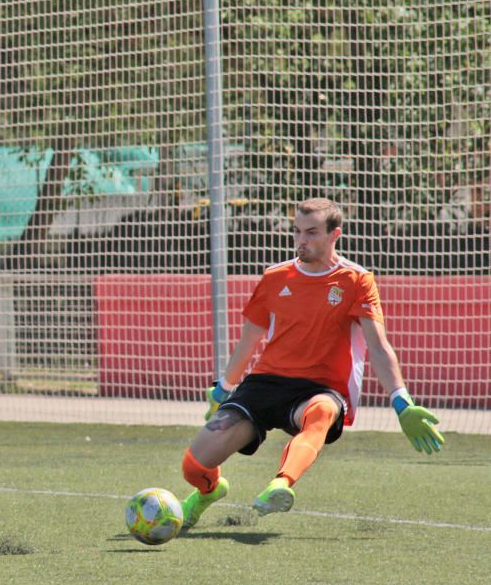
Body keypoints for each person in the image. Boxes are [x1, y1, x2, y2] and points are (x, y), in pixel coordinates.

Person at [179, 197, 445, 529]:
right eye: (297, 232)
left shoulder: (356, 280)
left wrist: (401, 402)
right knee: (193, 465)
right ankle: (208, 491)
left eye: (312, 233)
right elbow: (249, 339)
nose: (302, 241)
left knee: (320, 412)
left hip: (321, 389)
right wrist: (224, 388)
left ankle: (281, 484)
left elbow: (378, 347)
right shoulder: (275, 277)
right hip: (265, 383)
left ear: (335, 234)